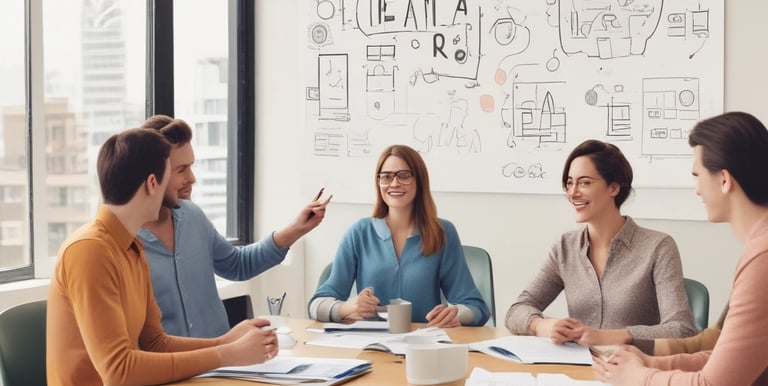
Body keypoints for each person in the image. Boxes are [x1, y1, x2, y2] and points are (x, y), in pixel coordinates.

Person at [46, 128, 279, 386]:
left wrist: (226, 341)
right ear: (152, 184)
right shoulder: (90, 251)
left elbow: (155, 342)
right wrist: (225, 354)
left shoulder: (132, 247)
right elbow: (118, 372)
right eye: (172, 176)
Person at [593, 111, 768, 385]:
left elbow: (712, 383)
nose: (697, 189)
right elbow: (722, 352)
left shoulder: (763, 259)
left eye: (697, 175)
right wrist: (652, 363)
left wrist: (640, 377)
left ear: (724, 179)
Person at [138, 115, 332, 338]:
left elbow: (237, 264)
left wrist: (297, 227)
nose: (192, 178)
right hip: (173, 368)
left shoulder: (192, 216)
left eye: (191, 167)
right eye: (181, 170)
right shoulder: (124, 243)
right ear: (153, 176)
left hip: (223, 360)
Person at [505, 139, 695, 346]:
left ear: (613, 187)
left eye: (584, 183)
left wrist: (608, 337)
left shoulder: (658, 247)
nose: (573, 192)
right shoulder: (565, 247)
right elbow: (517, 310)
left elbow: (681, 329)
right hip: (578, 371)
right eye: (570, 183)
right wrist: (542, 325)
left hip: (633, 371)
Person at [308, 144, 490, 327]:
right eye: (386, 176)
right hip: (371, 344)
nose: (394, 183)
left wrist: (456, 314)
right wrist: (347, 308)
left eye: (404, 175)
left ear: (419, 180)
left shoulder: (443, 232)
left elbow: (477, 309)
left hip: (424, 345)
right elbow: (316, 305)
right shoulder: (359, 233)